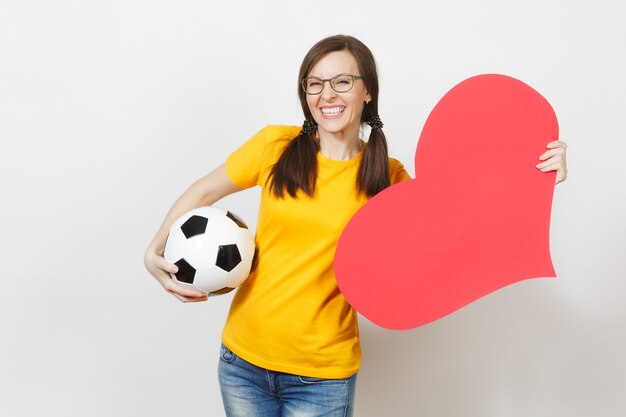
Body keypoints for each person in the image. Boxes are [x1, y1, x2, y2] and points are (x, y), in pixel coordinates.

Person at [144, 34, 568, 417]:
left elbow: (467, 227)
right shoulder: (274, 146)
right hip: (242, 361)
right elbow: (202, 192)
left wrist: (537, 170)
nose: (327, 94)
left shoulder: (387, 177)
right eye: (315, 83)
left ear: (367, 91)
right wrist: (154, 251)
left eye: (343, 81)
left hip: (322, 377)